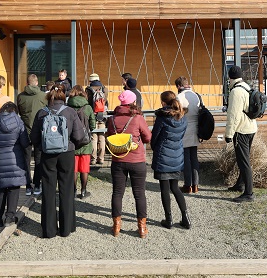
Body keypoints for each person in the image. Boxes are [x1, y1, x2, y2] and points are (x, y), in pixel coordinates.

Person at [30, 84, 86, 238]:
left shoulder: (42, 113)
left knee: (48, 190)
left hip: (47, 154)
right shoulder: (70, 112)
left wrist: (43, 146)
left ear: (49, 97)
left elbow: (34, 137)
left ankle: (49, 230)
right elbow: (79, 136)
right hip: (67, 153)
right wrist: (71, 145)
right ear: (64, 97)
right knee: (66, 189)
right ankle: (67, 228)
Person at [106, 90, 152, 238]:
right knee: (139, 194)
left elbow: (109, 136)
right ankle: (142, 228)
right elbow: (147, 137)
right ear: (133, 102)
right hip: (137, 160)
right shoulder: (138, 118)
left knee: (117, 193)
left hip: (118, 160)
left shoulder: (112, 119)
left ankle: (116, 226)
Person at [0, 101, 30, 227]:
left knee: (1, 188)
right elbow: (25, 142)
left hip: (0, 159)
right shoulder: (19, 122)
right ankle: (10, 218)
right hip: (15, 159)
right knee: (14, 188)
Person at [151, 91, 191, 229]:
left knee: (164, 188)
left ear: (163, 102)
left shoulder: (162, 118)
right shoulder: (183, 117)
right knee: (175, 187)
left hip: (163, 155)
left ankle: (168, 219)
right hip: (177, 154)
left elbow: (154, 137)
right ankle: (186, 217)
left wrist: (155, 148)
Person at [225, 65, 258, 203]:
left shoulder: (236, 91)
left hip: (241, 130)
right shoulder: (246, 86)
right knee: (242, 159)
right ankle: (240, 184)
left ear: (229, 77)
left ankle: (249, 193)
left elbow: (234, 115)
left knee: (244, 162)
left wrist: (229, 134)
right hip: (251, 128)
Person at [16, 73, 48, 196]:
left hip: (25, 131)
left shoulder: (20, 97)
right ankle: (37, 185)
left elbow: (19, 112)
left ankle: (28, 186)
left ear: (27, 83)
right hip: (39, 131)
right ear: (36, 83)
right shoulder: (43, 96)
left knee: (26, 159)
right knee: (39, 159)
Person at [68, 85, 96, 198]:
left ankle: (73, 191)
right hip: (85, 142)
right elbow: (93, 126)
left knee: (74, 169)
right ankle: (83, 191)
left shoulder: (68, 107)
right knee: (84, 169)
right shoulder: (87, 107)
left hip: (72, 142)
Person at [175, 76, 202, 193]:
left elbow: (177, 115)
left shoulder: (179, 97)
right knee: (194, 157)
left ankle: (188, 185)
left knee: (186, 158)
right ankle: (196, 185)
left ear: (178, 86)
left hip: (184, 128)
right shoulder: (196, 95)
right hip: (196, 128)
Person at [85, 73, 107, 165]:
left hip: (93, 116)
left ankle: (93, 159)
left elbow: (87, 102)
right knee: (102, 138)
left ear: (90, 80)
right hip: (103, 115)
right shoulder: (104, 88)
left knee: (93, 138)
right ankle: (101, 158)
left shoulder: (88, 89)